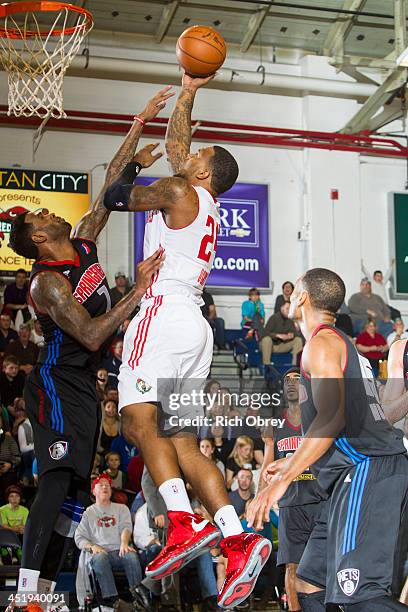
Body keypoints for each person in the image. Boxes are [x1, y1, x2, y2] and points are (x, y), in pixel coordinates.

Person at [103, 71, 271, 609]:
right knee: (179, 440)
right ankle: (239, 536)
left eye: (198, 152)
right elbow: (180, 145)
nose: (188, 152)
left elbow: (114, 195)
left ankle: (181, 522)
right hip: (194, 324)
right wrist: (188, 89)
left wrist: (134, 162)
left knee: (136, 420)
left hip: (163, 312)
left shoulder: (177, 189)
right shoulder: (205, 200)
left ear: (203, 170)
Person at [5, 87, 172, 611]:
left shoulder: (82, 242)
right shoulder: (46, 284)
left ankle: (46, 595)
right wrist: (137, 290)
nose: (47, 213)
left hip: (82, 385)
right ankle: (27, 590)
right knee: (55, 480)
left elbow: (107, 188)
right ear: (36, 239)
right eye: (38, 216)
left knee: (73, 491)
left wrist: (140, 123)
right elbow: (95, 334)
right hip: (54, 382)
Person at [247, 267, 408, 611]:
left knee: (359, 595)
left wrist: (285, 479)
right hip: (359, 472)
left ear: (302, 296)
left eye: (293, 292)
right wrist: (291, 461)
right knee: (308, 582)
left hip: (367, 469)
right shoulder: (342, 346)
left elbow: (332, 419)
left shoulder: (320, 344)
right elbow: (374, 415)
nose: (289, 297)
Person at [259, 367, 326, 612]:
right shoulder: (275, 425)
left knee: (325, 562)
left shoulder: (318, 420)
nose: (291, 383)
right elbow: (267, 469)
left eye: (297, 380)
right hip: (291, 504)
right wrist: (260, 498)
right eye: (287, 380)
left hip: (321, 500)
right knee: (292, 566)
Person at [74, 473, 150, 611]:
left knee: (131, 555)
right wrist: (92, 546)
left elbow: (126, 527)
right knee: (100, 558)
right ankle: (113, 601)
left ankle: (138, 597)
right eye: (101, 485)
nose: (105, 487)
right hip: (99, 552)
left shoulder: (121, 508)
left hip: (118, 548)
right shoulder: (88, 513)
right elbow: (79, 537)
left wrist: (124, 543)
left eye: (108, 485)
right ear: (93, 491)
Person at [261, 302, 303, 366]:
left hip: (284, 345)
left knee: (298, 340)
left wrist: (292, 335)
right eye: (287, 308)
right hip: (272, 345)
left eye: (290, 309)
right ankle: (267, 366)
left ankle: (295, 366)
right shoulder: (274, 318)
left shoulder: (290, 319)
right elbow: (265, 333)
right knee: (266, 339)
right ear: (282, 309)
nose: (289, 311)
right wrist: (277, 335)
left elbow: (296, 333)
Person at [0, 485, 28, 564]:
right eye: (11, 496)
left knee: (20, 554)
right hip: (6, 535)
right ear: (8, 498)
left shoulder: (25, 510)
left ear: (20, 498)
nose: (14, 499)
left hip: (20, 535)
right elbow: (4, 526)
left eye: (17, 496)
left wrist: (19, 529)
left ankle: (18, 556)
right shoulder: (2, 510)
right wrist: (15, 529)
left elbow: (25, 526)